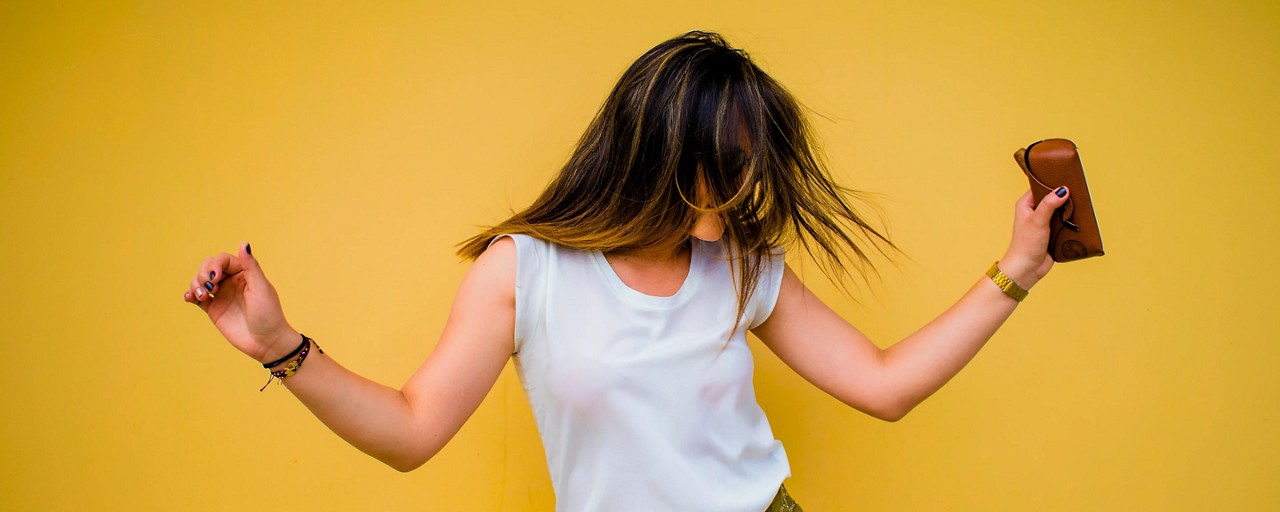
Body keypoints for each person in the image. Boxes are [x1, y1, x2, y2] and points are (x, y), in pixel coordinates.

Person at [182, 30, 1070, 512]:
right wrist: (282, 348)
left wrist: (1016, 271)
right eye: (731, 158)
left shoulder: (743, 267)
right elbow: (413, 435)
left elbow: (884, 385)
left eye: (756, 160)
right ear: (655, 152)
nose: (749, 180)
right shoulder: (524, 271)